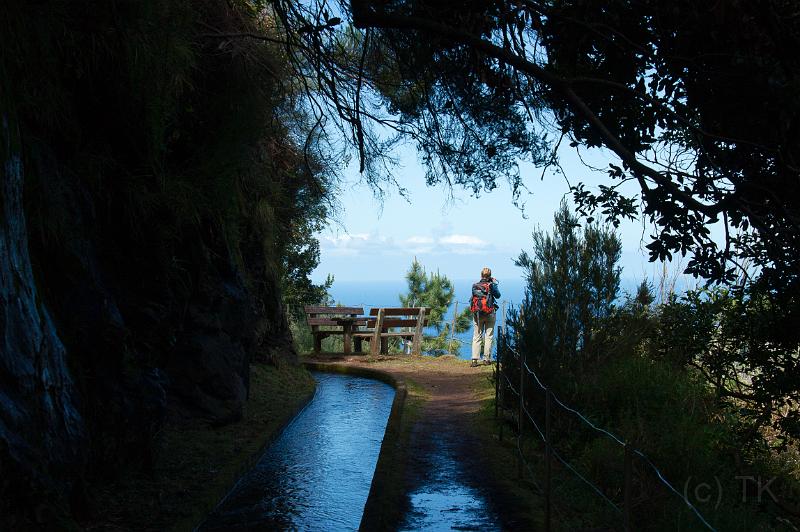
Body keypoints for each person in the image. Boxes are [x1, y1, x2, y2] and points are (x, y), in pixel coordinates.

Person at [470, 267, 501, 367]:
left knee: (477, 335)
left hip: (478, 314)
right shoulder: (491, 285)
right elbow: (498, 295)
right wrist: (494, 284)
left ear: (481, 275)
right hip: (490, 313)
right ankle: (486, 359)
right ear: (490, 276)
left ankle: (474, 360)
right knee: (488, 336)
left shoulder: (475, 285)